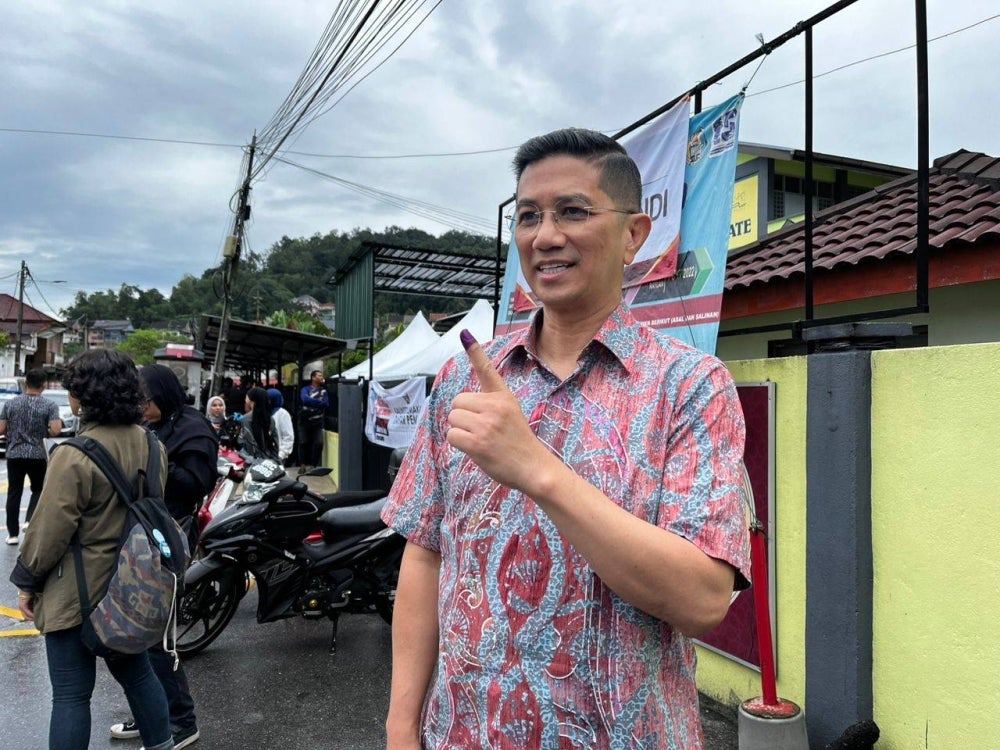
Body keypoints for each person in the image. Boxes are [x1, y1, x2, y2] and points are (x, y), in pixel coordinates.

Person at [381, 128, 751, 749]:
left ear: (635, 235)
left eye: (573, 212)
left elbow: (703, 599)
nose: (545, 236)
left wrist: (538, 471)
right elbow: (424, 553)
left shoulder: (690, 386)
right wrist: (400, 727)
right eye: (529, 217)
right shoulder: (463, 378)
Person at [9, 349, 174, 750]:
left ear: (84, 396)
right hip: (130, 590)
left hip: (77, 594)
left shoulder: (73, 456)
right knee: (138, 676)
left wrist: (27, 582)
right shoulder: (154, 447)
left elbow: (48, 532)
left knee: (70, 695)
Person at [107, 364, 218, 749]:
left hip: (170, 541)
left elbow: (196, 484)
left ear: (166, 397)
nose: (142, 407)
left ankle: (181, 722)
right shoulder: (152, 427)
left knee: (158, 640)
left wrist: (153, 460)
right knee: (136, 636)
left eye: (148, 401)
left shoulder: (194, 429)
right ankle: (151, 714)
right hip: (141, 539)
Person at [1, 367, 61, 544]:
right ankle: (29, 520)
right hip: (37, 454)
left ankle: (12, 535)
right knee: (38, 489)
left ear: (26, 383)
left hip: (15, 454)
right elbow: (56, 430)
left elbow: (1, 429)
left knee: (14, 493)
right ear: (43, 386)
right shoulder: (49, 405)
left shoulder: (10, 404)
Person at [297, 369, 328, 470]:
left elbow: (326, 404)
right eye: (319, 375)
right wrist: (318, 401)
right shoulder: (305, 389)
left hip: (318, 422)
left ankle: (313, 465)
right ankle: (302, 464)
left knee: (319, 443)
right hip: (304, 421)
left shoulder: (323, 391)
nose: (321, 377)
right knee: (303, 442)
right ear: (313, 378)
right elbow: (304, 399)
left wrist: (311, 402)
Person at [240, 386, 279, 461]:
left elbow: (249, 442)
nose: (245, 399)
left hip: (253, 461)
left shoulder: (246, 419)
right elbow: (275, 442)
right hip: (269, 460)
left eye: (246, 397)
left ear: (252, 400)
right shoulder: (270, 418)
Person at [266, 388, 294, 465]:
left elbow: (288, 437)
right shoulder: (265, 412)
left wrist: (281, 455)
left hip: (278, 456)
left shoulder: (283, 414)